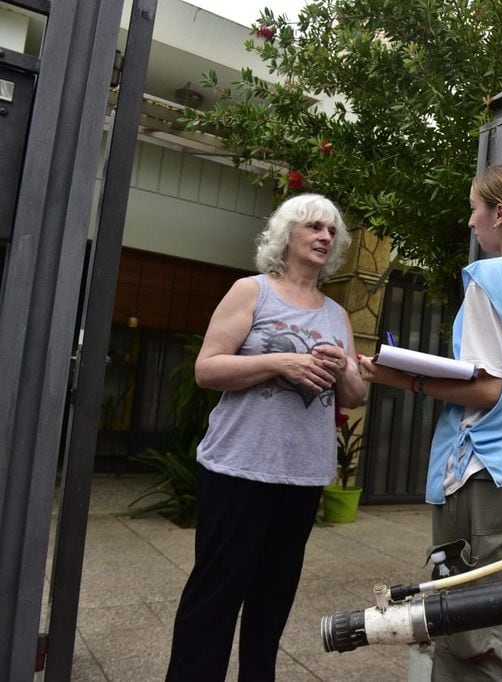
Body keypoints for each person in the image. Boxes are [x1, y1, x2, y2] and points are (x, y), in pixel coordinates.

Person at [358, 161, 502, 681]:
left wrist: (400, 377)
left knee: (468, 625)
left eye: (474, 209)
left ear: (499, 212)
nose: (470, 222)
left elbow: (490, 387)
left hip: (484, 468)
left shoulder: (491, 278)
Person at [166, 193, 366, 681]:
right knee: (215, 596)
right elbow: (207, 369)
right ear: (288, 234)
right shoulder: (251, 292)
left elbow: (356, 395)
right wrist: (281, 361)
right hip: (238, 469)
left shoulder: (337, 315)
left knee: (272, 602)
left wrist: (343, 368)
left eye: (331, 231)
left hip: (300, 478)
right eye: (314, 227)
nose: (325, 237)